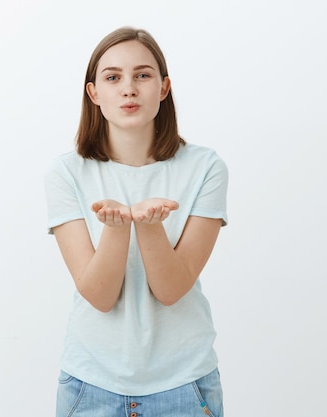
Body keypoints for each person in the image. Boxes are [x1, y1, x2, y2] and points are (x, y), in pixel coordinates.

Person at [44, 26, 228, 417]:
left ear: (163, 88)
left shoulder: (205, 167)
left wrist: (148, 225)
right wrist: (116, 227)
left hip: (184, 383)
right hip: (91, 384)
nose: (128, 88)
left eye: (142, 75)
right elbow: (99, 295)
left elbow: (172, 289)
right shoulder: (66, 173)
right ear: (94, 93)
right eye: (113, 77)